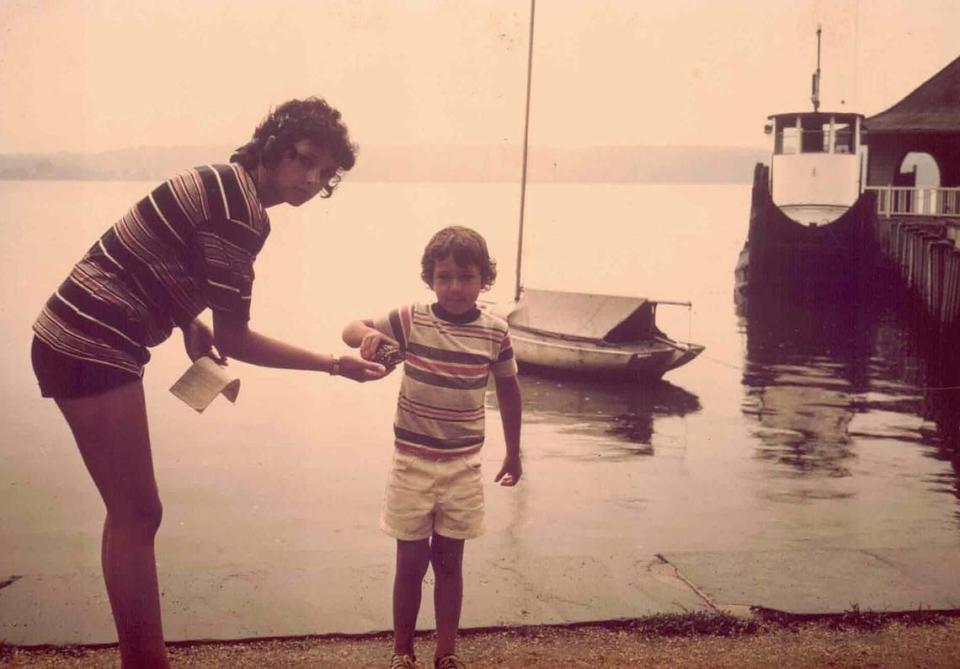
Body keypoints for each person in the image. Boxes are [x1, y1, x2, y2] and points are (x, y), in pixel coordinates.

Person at [30, 97, 386, 668]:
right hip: (89, 339)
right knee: (137, 515)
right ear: (273, 147)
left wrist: (188, 322)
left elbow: (151, 259)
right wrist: (333, 364)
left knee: (130, 513)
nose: (311, 180)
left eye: (324, 174)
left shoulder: (224, 185)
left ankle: (140, 659)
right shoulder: (240, 212)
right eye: (304, 160)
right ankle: (147, 663)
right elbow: (239, 338)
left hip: (76, 333)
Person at [342, 226, 523, 669]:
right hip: (412, 464)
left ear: (484, 279)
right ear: (430, 279)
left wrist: (514, 451)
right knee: (409, 562)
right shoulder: (412, 319)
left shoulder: (495, 332)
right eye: (444, 277)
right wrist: (368, 336)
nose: (455, 287)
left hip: (462, 466)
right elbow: (350, 329)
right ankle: (403, 652)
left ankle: (446, 653)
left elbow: (509, 388)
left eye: (465, 277)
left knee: (449, 563)